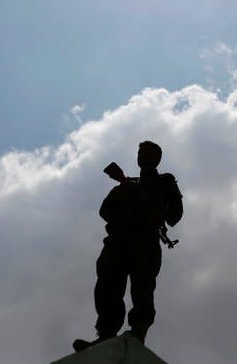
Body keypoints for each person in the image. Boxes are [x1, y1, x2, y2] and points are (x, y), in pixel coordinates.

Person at [73, 141, 183, 352]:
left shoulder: (165, 181)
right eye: (140, 153)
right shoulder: (125, 185)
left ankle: (138, 333)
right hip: (118, 241)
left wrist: (156, 213)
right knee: (108, 286)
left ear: (157, 159)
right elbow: (105, 211)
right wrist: (128, 199)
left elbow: (175, 215)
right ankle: (105, 334)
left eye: (148, 154)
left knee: (142, 288)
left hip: (146, 241)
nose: (143, 157)